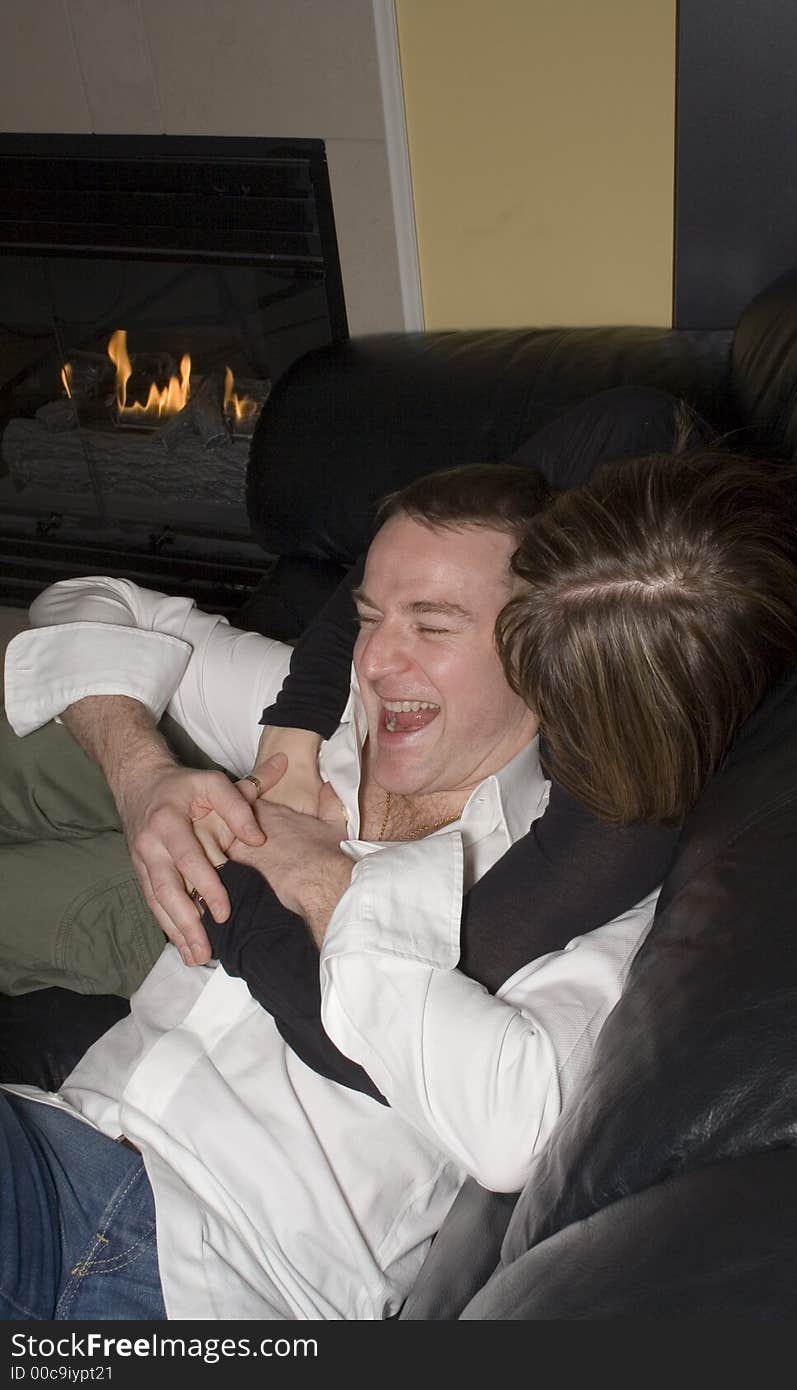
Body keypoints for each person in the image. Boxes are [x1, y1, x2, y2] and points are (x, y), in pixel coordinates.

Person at [0, 462, 662, 1321]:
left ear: (544, 646)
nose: (379, 660)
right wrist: (141, 776)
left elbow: (512, 1133)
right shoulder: (318, 735)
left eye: (432, 625)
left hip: (216, 1282)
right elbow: (84, 600)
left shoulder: (583, 885)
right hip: (61, 1151)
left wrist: (313, 869)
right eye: (368, 618)